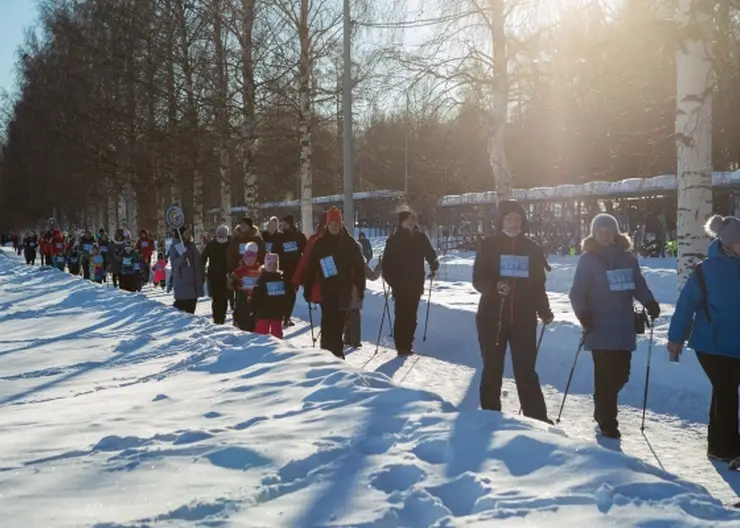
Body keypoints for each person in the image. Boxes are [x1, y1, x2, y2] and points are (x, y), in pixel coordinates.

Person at [570, 213, 659, 438]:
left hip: (624, 327)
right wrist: (583, 314)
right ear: (594, 234)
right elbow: (577, 291)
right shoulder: (587, 260)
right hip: (599, 326)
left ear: (615, 234)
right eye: (600, 231)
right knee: (605, 375)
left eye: (609, 231)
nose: (605, 235)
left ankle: (602, 404)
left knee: (622, 374)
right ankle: (608, 421)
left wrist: (649, 301)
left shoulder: (628, 259)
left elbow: (638, 283)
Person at [472, 199, 554, 424]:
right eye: (509, 218)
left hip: (524, 317)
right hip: (492, 316)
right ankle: (490, 416)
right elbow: (478, 278)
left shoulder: (532, 248)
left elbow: (538, 283)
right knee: (492, 367)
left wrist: (544, 309)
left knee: (526, 369)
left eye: (517, 218)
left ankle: (536, 418)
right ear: (501, 221)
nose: (513, 222)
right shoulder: (489, 245)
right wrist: (493, 286)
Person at [668, 215, 740, 462]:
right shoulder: (706, 269)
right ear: (728, 243)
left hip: (736, 343)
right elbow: (686, 305)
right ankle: (733, 449)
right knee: (726, 390)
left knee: (724, 391)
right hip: (710, 343)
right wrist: (675, 337)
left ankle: (716, 446)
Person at [303, 207, 366, 359]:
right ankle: (326, 357)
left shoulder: (349, 242)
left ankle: (337, 357)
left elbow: (359, 266)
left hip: (344, 290)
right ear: (327, 225)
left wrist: (360, 287)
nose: (334, 227)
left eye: (336, 224)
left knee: (339, 325)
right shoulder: (320, 243)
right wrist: (308, 288)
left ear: (340, 223)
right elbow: (311, 266)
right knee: (328, 325)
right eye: (331, 224)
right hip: (327, 290)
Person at [382, 210, 439, 356]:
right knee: (401, 314)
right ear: (401, 222)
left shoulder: (420, 238)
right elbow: (386, 264)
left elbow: (430, 254)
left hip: (415, 282)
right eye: (408, 220)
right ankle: (401, 345)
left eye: (412, 220)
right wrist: (391, 281)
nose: (411, 223)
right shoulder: (393, 240)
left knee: (412, 315)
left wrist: (434, 264)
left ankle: (408, 343)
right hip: (399, 284)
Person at [344, 257, 382, 348]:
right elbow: (373, 276)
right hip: (356, 293)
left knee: (346, 314)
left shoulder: (340, 259)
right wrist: (379, 267)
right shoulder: (361, 263)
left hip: (343, 292)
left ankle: (347, 338)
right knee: (355, 316)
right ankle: (355, 341)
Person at [168, 226, 204, 314]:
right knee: (183, 307)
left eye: (189, 233)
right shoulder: (176, 246)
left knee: (191, 306)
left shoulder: (192, 245)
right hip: (183, 281)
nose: (188, 235)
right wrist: (183, 257)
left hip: (194, 280)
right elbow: (174, 263)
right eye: (186, 233)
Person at [280, 215, 307, 327]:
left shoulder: (299, 236)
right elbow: (275, 250)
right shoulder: (280, 237)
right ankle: (281, 315)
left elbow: (305, 251)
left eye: (285, 223)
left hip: (294, 271)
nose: (283, 226)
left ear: (290, 224)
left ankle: (287, 317)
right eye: (282, 223)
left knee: (291, 295)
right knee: (282, 294)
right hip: (281, 270)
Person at [202, 225, 232, 324]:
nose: (221, 235)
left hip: (225, 276)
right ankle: (217, 318)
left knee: (222, 299)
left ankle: (220, 318)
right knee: (217, 299)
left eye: (223, 234)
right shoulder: (211, 245)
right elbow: (203, 258)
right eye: (220, 233)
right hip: (215, 276)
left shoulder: (230, 244)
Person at [251, 253, 286, 338]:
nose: (273, 266)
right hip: (263, 312)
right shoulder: (262, 279)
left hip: (277, 312)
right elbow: (256, 295)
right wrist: (254, 308)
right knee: (261, 334)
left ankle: (279, 349)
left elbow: (284, 296)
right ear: (266, 265)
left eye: (275, 264)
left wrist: (284, 309)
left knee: (277, 334)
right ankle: (257, 349)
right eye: (270, 264)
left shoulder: (280, 278)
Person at [229, 242, 261, 331]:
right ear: (244, 259)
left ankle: (253, 328)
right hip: (242, 296)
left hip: (254, 296)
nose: (250, 262)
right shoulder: (240, 270)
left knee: (254, 315)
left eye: (252, 260)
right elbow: (231, 280)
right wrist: (234, 282)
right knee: (242, 313)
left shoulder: (259, 270)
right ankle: (240, 324)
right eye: (248, 260)